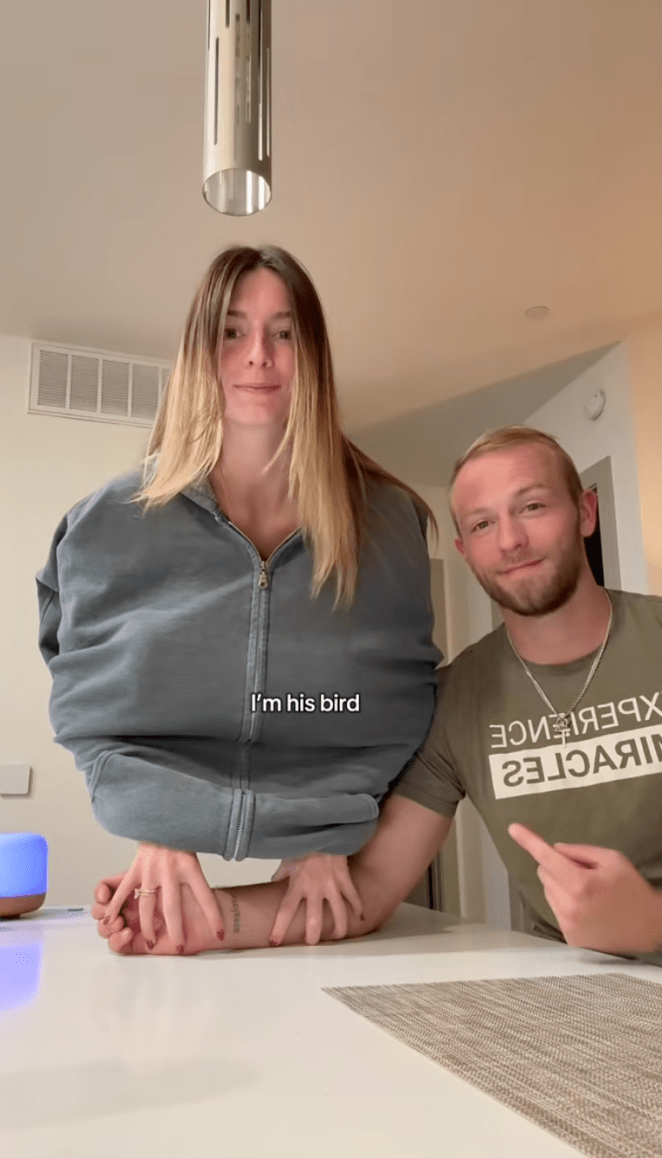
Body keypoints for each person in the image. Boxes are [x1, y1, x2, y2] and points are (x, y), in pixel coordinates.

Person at [93, 425, 662, 962]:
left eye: (532, 506)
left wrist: (651, 922)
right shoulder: (456, 698)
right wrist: (198, 919)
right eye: (483, 524)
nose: (511, 540)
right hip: (583, 996)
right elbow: (367, 888)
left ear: (584, 511)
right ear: (464, 552)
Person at [36, 244, 442, 951]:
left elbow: (393, 701)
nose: (258, 355)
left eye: (284, 333)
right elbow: (88, 694)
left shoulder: (390, 524)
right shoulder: (103, 524)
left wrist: (327, 833)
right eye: (232, 330)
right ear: (200, 349)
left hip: (338, 916)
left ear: (312, 355)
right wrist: (159, 820)